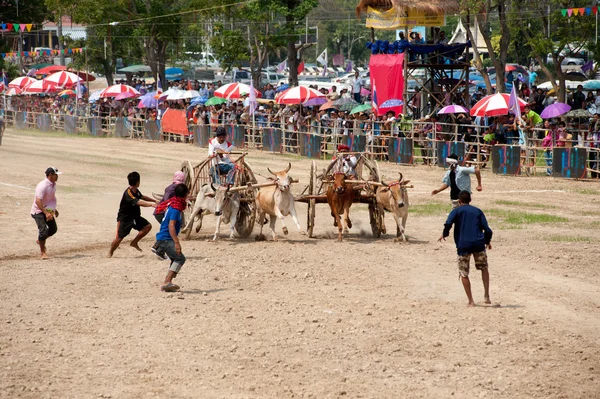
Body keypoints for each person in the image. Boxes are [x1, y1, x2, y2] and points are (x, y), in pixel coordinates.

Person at [438, 191, 493, 307]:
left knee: (464, 273)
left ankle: (471, 301)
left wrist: (445, 234)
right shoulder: (478, 211)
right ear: (470, 200)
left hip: (463, 245)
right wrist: (487, 242)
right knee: (484, 268)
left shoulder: (456, 211)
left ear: (459, 201)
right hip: (478, 244)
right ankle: (487, 296)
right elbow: (488, 230)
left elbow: (448, 223)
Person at [108, 171, 157, 258]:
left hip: (134, 217)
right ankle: (110, 252)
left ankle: (134, 242)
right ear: (138, 181)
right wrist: (151, 205)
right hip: (125, 218)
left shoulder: (135, 191)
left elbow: (142, 197)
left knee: (147, 226)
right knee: (119, 238)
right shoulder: (128, 193)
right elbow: (139, 202)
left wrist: (154, 200)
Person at [154, 183, 189, 292]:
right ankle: (167, 282)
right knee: (180, 258)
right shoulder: (175, 208)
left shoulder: (172, 203)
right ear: (184, 195)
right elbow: (171, 225)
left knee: (175, 258)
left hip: (164, 237)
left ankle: (168, 281)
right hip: (166, 238)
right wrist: (177, 242)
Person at [31, 167, 62, 259]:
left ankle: (41, 239)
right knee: (43, 230)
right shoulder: (42, 186)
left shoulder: (53, 185)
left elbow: (51, 199)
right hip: (38, 211)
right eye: (56, 175)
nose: (57, 176)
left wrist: (54, 209)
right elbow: (38, 201)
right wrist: (46, 213)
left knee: (53, 229)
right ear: (50, 175)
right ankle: (42, 252)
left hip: (47, 209)